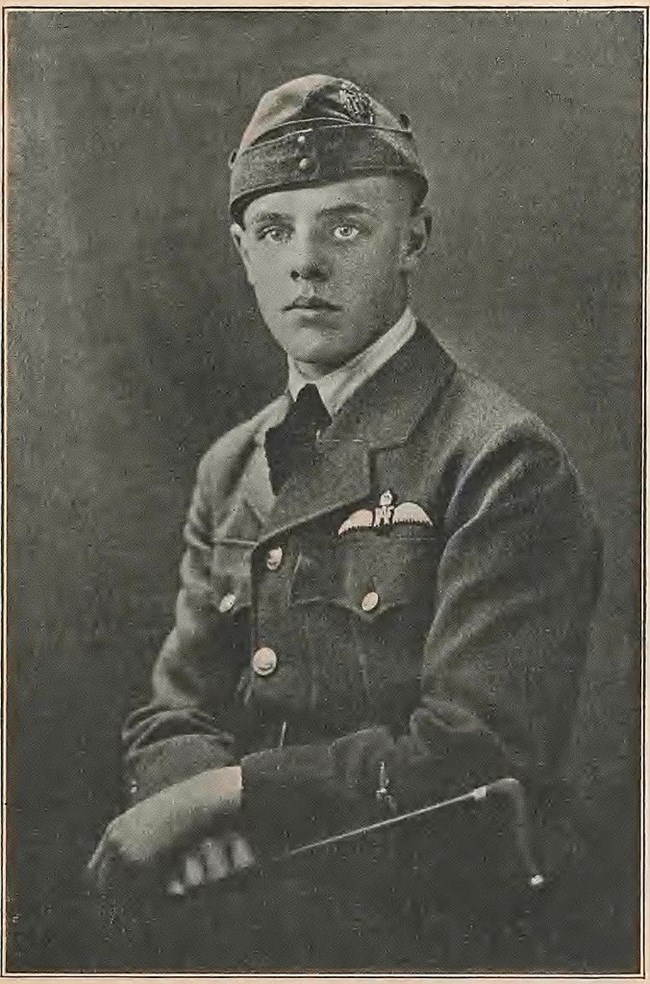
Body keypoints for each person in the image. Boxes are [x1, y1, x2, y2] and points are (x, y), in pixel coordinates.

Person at [88, 75, 602, 970]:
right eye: (276, 230)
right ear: (243, 251)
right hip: (236, 918)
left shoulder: (498, 457)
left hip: (430, 935)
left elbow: (477, 751)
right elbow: (174, 707)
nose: (306, 263)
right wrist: (189, 798)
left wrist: (225, 797)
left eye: (346, 225)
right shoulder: (233, 465)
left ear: (414, 240)